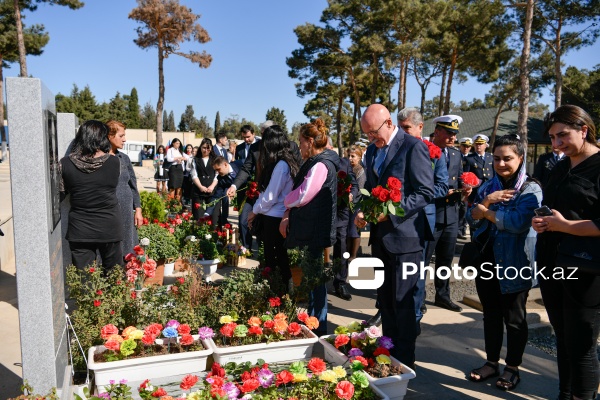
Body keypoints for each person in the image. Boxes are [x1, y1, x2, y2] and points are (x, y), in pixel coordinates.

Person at [355, 104, 434, 368]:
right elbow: (368, 188)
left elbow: (424, 192)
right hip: (380, 239)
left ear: (389, 123)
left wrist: (390, 213)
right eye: (366, 134)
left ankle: (404, 363)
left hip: (406, 240)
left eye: (373, 132)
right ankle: (387, 357)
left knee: (403, 305)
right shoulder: (370, 151)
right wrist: (362, 211)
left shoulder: (413, 147)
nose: (370, 139)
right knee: (386, 302)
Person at [532, 105, 600, 400]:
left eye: (563, 136)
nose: (556, 144)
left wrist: (565, 225)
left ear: (584, 130)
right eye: (552, 138)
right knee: (562, 337)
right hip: (551, 261)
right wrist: (542, 221)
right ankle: (565, 392)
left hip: (586, 269)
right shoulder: (560, 166)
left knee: (582, 343)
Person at [466, 134, 541, 391]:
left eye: (508, 158)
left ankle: (512, 368)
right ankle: (490, 363)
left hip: (514, 262)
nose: (501, 164)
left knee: (515, 319)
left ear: (520, 158)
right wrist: (487, 202)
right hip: (487, 260)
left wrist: (485, 212)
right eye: (497, 158)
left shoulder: (530, 189)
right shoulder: (488, 187)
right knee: (491, 315)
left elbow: (518, 223)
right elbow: (471, 217)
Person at [281, 118, 340, 337]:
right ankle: (315, 322)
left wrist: (287, 201)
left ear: (309, 141)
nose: (299, 145)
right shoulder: (319, 161)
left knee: (316, 282)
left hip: (316, 230)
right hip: (314, 229)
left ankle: (319, 326)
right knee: (314, 280)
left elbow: (306, 193)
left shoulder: (321, 164)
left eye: (300, 141)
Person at [396, 107, 450, 331]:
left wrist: (416, 195)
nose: (403, 132)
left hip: (420, 221)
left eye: (407, 128)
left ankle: (415, 317)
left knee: (416, 274)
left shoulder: (433, 152)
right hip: (397, 221)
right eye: (400, 128)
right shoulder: (396, 148)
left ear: (420, 127)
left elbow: (441, 186)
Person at [59, 120, 123, 270]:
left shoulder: (65, 163)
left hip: (80, 229)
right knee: (114, 277)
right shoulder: (115, 162)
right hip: (109, 226)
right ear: (103, 138)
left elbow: (61, 194)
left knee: (84, 279)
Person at [427, 115, 470, 312]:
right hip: (432, 213)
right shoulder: (425, 151)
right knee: (424, 260)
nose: (453, 138)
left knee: (445, 260)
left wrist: (466, 188)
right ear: (437, 132)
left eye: (455, 134)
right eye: (449, 133)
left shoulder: (456, 155)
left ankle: (442, 296)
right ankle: (417, 298)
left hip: (451, 214)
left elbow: (459, 179)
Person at [249, 125, 298, 292]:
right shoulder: (284, 162)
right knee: (279, 258)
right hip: (275, 215)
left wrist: (254, 211)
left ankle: (279, 294)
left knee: (274, 259)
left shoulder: (281, 166)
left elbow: (270, 196)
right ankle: (283, 292)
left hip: (274, 217)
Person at [327, 137, 358, 301]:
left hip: (341, 211)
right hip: (321, 210)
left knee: (341, 244)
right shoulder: (314, 162)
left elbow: (354, 184)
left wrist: (351, 194)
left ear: (331, 147)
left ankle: (340, 282)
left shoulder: (344, 163)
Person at [106, 120, 143, 257]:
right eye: (121, 136)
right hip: (109, 211)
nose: (125, 139)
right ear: (109, 136)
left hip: (126, 212)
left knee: (128, 248)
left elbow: (133, 186)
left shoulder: (124, 158)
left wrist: (138, 209)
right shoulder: (99, 158)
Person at [235, 125, 260, 251]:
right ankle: (246, 248)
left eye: (248, 137)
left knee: (259, 220)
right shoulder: (239, 149)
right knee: (243, 220)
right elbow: (238, 167)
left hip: (259, 188)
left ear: (253, 134)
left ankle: (261, 248)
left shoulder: (261, 145)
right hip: (244, 189)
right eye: (244, 137)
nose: (246, 140)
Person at [205, 156, 239, 227]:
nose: (217, 172)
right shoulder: (221, 178)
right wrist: (207, 213)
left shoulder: (239, 165)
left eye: (218, 169)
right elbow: (216, 196)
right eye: (216, 170)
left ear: (225, 164)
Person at [346, 145, 366, 264]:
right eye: (348, 156)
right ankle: (348, 252)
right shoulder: (348, 169)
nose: (350, 158)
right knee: (348, 230)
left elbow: (360, 188)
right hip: (348, 204)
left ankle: (353, 255)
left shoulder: (360, 171)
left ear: (359, 157)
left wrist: (351, 196)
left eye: (353, 156)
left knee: (354, 230)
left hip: (357, 204)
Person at [190, 138, 218, 221]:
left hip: (212, 191)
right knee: (199, 216)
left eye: (208, 148)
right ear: (200, 148)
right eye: (204, 148)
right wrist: (200, 187)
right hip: (198, 191)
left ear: (211, 148)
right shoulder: (195, 160)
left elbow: (217, 175)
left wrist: (212, 186)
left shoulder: (215, 159)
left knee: (213, 216)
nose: (206, 150)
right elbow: (194, 175)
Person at [465, 133, 494, 202]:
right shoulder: (469, 158)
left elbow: (494, 172)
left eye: (480, 144)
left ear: (485, 145)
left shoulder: (490, 157)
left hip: (490, 187)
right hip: (476, 189)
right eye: (477, 144)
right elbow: (466, 175)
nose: (478, 146)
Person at [457, 137, 473, 239]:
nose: (466, 148)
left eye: (468, 146)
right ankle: (458, 230)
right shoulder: (456, 156)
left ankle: (462, 230)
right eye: (464, 146)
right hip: (457, 187)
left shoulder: (471, 158)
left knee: (464, 209)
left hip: (467, 188)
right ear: (460, 146)